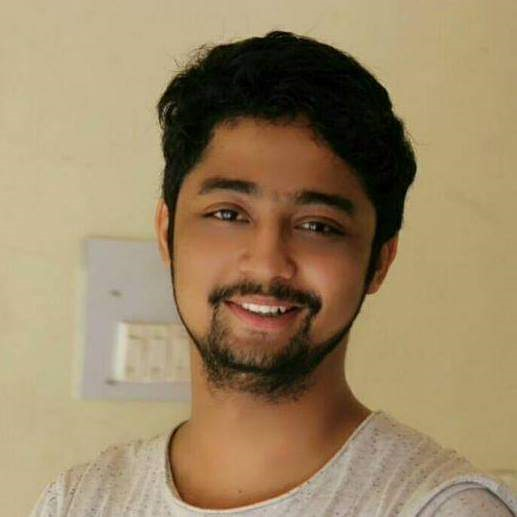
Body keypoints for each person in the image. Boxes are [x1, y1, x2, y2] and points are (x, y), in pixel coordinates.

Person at [31, 30, 516, 516]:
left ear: (379, 261)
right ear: (166, 232)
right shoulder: (79, 501)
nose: (267, 262)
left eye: (318, 226)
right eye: (228, 214)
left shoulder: (439, 508)